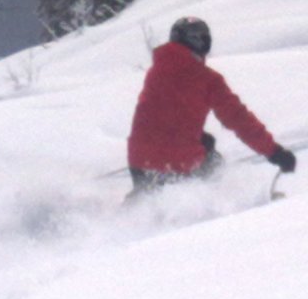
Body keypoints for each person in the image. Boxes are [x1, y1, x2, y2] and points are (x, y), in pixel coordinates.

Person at [127, 17, 296, 195]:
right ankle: (225, 206)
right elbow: (239, 119)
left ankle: (129, 209)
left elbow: (164, 113)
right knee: (215, 167)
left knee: (147, 195)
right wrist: (274, 152)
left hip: (139, 159)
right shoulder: (208, 79)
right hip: (180, 162)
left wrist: (197, 136)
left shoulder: (156, 71)